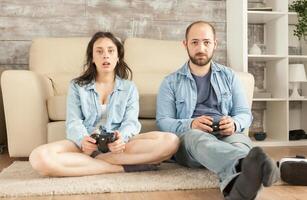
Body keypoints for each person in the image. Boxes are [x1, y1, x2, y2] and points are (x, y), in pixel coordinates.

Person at [156, 21, 279, 199]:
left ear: (215, 44)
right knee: (197, 137)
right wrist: (191, 123)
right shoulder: (170, 82)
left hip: (227, 134)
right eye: (195, 42)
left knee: (240, 144)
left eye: (206, 42)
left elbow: (244, 113)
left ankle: (238, 188)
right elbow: (163, 121)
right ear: (185, 44)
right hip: (192, 140)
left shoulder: (229, 76)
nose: (201, 48)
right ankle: (253, 164)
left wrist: (234, 124)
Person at [29, 31, 179, 177]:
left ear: (118, 57)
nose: (105, 55)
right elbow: (73, 121)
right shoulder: (77, 86)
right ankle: (118, 168)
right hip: (87, 145)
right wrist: (83, 140)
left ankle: (94, 162)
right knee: (38, 158)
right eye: (99, 51)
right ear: (92, 58)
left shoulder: (129, 87)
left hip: (119, 147)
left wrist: (122, 138)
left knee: (171, 141)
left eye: (111, 51)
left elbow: (131, 122)